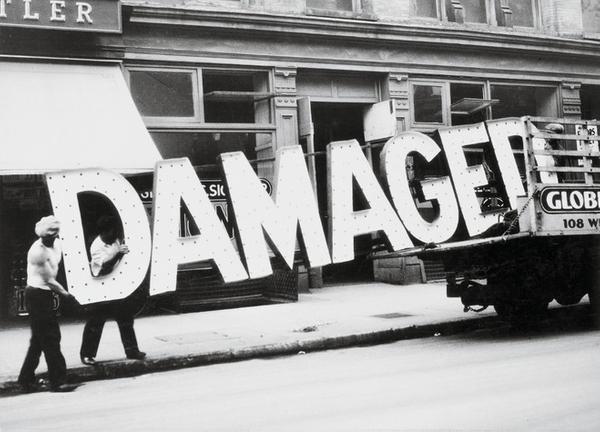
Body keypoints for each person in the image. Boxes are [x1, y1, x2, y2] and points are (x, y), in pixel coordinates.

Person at [18, 216, 78, 393]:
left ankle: (25, 379)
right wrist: (66, 295)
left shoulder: (57, 244)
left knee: (38, 340)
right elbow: (49, 280)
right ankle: (58, 381)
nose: (50, 238)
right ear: (41, 236)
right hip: (37, 294)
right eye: (47, 236)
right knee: (51, 337)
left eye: (53, 235)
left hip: (44, 294)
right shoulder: (37, 252)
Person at [79, 215, 146, 365]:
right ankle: (87, 354)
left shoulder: (114, 240)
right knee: (95, 322)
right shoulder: (96, 246)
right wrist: (118, 254)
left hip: (117, 286)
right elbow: (105, 265)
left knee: (126, 319)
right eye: (110, 232)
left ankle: (132, 350)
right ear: (103, 232)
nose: (113, 235)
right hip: (101, 286)